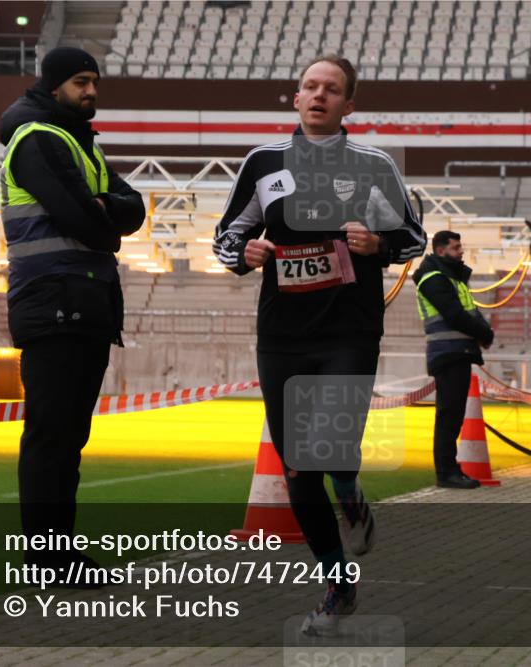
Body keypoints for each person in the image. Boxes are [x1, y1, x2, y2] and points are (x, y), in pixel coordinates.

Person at [213, 55, 426, 634]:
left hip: (348, 330)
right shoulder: (263, 163)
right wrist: (245, 253)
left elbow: (413, 238)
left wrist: (375, 243)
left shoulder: (372, 164)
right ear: (295, 98)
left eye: (332, 90)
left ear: (348, 105)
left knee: (328, 450)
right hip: (282, 334)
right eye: (310, 86)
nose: (318, 95)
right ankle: (339, 584)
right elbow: (228, 234)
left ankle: (351, 488)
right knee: (300, 469)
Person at [0, 47, 145, 576]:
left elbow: (135, 208)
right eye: (82, 82)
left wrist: (110, 212)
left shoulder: (78, 143)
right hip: (53, 301)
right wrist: (108, 216)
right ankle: (46, 558)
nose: (92, 92)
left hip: (83, 302)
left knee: (68, 439)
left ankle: (60, 553)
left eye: (95, 82)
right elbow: (88, 220)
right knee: (52, 437)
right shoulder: (38, 139)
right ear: (56, 84)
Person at [412, 230, 494, 489]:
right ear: (440, 251)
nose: (461, 252)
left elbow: (468, 310)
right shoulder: (434, 278)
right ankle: (446, 472)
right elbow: (454, 314)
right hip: (448, 352)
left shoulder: (450, 277)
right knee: (449, 416)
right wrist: (483, 333)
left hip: (457, 351)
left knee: (453, 415)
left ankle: (449, 469)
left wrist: (482, 332)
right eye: (456, 248)